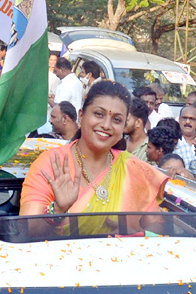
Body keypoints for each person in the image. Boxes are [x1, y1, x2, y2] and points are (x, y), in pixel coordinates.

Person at [21, 81, 168, 228]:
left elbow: (157, 228)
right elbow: (26, 231)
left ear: (123, 126)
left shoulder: (135, 170)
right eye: (99, 114)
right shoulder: (51, 163)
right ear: (81, 115)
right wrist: (58, 210)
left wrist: (134, 235)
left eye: (116, 119)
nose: (106, 125)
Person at [175, 105, 196, 175]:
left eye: (192, 119)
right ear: (179, 119)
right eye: (184, 118)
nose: (187, 122)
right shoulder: (173, 141)